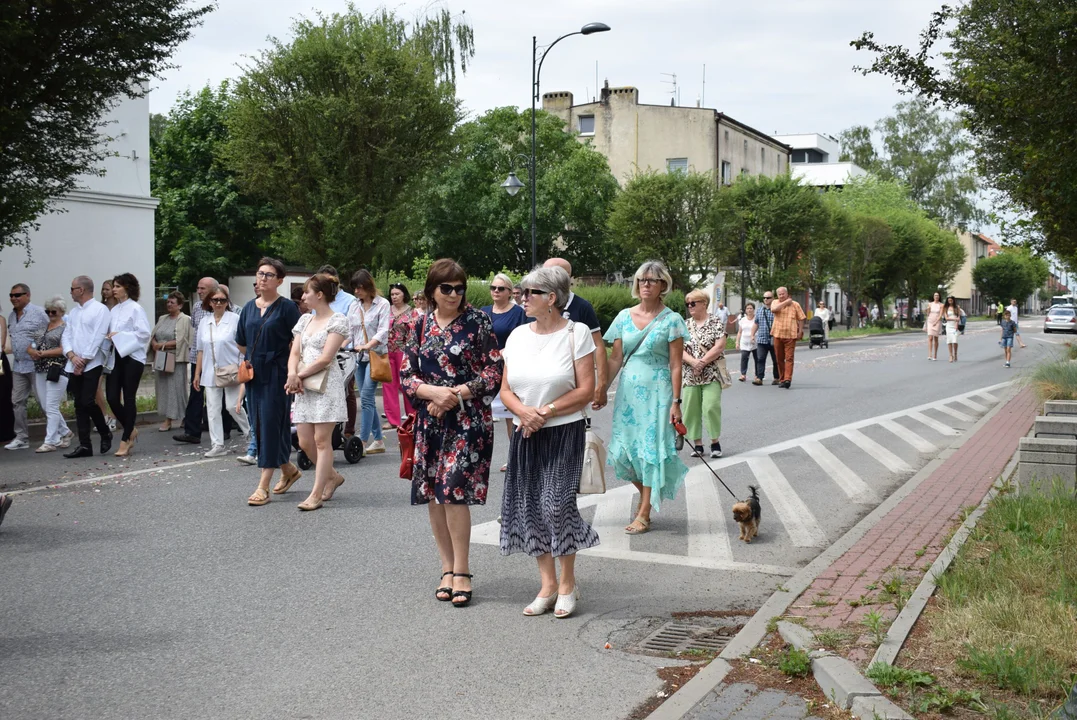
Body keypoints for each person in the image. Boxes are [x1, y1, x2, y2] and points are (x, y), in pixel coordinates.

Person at [401, 258, 503, 607]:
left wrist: (454, 394)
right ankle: (446, 567)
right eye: (447, 288)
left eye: (460, 288)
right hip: (430, 421)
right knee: (433, 493)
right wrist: (433, 394)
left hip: (467, 420)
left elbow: (493, 371)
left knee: (453, 491)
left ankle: (463, 570)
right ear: (432, 290)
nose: (455, 294)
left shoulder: (478, 322)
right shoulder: (417, 324)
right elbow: (406, 375)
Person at [499, 265, 599, 618]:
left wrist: (546, 411)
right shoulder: (517, 336)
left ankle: (568, 582)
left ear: (551, 298)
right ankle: (547, 584)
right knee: (531, 507)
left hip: (563, 430)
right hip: (526, 432)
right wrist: (524, 414)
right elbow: (505, 389)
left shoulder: (578, 332)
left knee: (556, 504)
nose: (521, 299)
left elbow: (587, 389)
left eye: (530, 293)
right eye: (521, 293)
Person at [602, 260, 689, 535]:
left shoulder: (672, 320)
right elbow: (615, 359)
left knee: (650, 450)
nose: (645, 284)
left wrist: (676, 402)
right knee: (623, 453)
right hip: (628, 394)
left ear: (663, 285)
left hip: (658, 394)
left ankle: (644, 512)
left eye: (652, 280)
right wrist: (601, 389)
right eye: (641, 280)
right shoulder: (623, 317)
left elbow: (676, 365)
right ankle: (647, 496)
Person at [238, 257, 304, 506]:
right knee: (259, 424)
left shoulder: (287, 308)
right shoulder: (247, 308)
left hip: (278, 374)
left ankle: (262, 486)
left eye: (268, 274)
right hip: (255, 374)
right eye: (260, 273)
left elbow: (298, 340)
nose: (263, 278)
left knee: (269, 425)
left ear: (279, 280)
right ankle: (288, 470)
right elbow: (241, 340)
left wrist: (292, 369)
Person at [284, 273, 349, 510]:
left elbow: (325, 358)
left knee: (322, 441)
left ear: (319, 295)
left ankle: (316, 493)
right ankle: (332, 476)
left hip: (325, 386)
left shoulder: (338, 320)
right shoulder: (304, 321)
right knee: (304, 441)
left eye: (307, 292)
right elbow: (294, 353)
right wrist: (292, 373)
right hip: (303, 386)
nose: (303, 296)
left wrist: (298, 376)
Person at [542, 258, 609, 412]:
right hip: (541, 382)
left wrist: (601, 384)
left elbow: (598, 345)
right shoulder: (537, 305)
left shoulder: (582, 306)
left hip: (572, 384)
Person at [194, 286, 250, 459]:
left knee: (233, 406)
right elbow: (200, 350)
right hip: (210, 371)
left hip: (232, 369)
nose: (218, 303)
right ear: (209, 302)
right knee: (212, 408)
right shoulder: (205, 322)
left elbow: (243, 345)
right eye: (215, 300)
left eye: (222, 300)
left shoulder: (235, 319)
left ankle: (251, 434)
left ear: (228, 302)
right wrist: (197, 373)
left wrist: (244, 366)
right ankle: (217, 444)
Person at [61, 276, 113, 458]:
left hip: (92, 363)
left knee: (88, 400)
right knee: (79, 404)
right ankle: (85, 445)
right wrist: (72, 356)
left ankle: (105, 432)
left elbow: (98, 336)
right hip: (74, 362)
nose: (70, 292)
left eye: (72, 288)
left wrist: (84, 359)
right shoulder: (74, 313)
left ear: (81, 290)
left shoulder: (100, 310)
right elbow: (66, 336)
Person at [482, 272, 528, 471]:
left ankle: (516, 457)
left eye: (501, 288)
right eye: (493, 288)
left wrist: (507, 351)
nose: (496, 291)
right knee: (482, 416)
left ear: (510, 292)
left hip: (510, 368)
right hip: (486, 370)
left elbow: (526, 338)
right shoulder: (483, 312)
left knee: (511, 416)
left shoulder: (519, 313)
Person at [105, 273, 151, 457]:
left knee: (129, 397)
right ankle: (130, 427)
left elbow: (143, 334)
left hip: (133, 357)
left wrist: (120, 335)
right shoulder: (114, 310)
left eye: (117, 286)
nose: (114, 289)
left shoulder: (136, 309)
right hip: (116, 357)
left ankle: (126, 439)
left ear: (127, 288)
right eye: (113, 286)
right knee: (112, 397)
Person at [175, 277, 224, 445]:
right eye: (198, 288)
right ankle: (192, 431)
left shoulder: (222, 305)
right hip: (199, 357)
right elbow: (197, 333)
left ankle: (224, 429)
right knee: (196, 393)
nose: (199, 291)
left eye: (203, 288)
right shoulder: (196, 307)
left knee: (220, 394)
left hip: (218, 359)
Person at [346, 269, 390, 454]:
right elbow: (349, 331)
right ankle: (378, 440)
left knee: (365, 398)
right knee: (367, 399)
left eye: (359, 288)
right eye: (355, 288)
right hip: (359, 358)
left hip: (376, 356)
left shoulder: (383, 304)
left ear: (368, 286)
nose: (356, 292)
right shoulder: (354, 306)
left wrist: (368, 345)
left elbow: (383, 331)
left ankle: (362, 441)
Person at [683, 289, 727, 459]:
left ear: (704, 303)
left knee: (711, 407)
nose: (690, 306)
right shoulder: (685, 325)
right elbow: (678, 348)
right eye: (688, 304)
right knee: (690, 410)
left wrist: (702, 362)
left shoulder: (715, 322)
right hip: (690, 374)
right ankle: (698, 444)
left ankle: (715, 442)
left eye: (693, 303)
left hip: (712, 373)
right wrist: (693, 362)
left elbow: (720, 346)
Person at [27, 296, 73, 452]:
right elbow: (31, 345)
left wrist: (43, 353)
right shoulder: (42, 328)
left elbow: (63, 349)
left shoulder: (66, 328)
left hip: (57, 368)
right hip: (40, 369)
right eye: (48, 311)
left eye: (53, 311)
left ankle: (51, 440)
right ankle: (66, 432)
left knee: (52, 406)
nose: (50, 314)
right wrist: (33, 351)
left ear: (61, 311)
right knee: (46, 406)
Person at [6, 283, 48, 450]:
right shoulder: (11, 316)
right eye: (11, 295)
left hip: (35, 364)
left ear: (28, 296)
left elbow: (49, 332)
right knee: (17, 401)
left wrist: (37, 347)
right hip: (18, 365)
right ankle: (22, 437)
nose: (13, 298)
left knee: (43, 400)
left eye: (18, 295)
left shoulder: (38, 313)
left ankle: (58, 433)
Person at [149, 291, 192, 432]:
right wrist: (154, 344)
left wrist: (162, 345)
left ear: (180, 305)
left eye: (172, 302)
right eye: (168, 302)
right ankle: (179, 416)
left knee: (176, 389)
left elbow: (183, 339)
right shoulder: (162, 318)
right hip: (161, 357)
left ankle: (170, 420)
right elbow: (153, 334)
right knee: (163, 388)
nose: (169, 304)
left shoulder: (185, 319)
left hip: (176, 358)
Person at [385, 282, 420, 430]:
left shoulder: (412, 312)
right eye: (392, 294)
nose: (394, 297)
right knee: (388, 385)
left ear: (404, 295)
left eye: (397, 294)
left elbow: (415, 334)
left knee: (405, 383)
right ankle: (393, 419)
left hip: (404, 351)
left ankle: (412, 416)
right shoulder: (386, 310)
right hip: (387, 351)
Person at [770, 286, 805, 389]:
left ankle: (787, 379)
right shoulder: (775, 302)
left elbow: (802, 318)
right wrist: (786, 302)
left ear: (787, 293)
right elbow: (774, 309)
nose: (781, 296)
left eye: (783, 294)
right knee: (779, 358)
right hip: (778, 334)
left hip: (790, 335)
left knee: (789, 358)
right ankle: (782, 379)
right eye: (779, 294)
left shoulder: (795, 305)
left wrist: (800, 331)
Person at [94, 278, 118, 432]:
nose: (105, 292)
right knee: (96, 384)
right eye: (103, 289)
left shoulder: (119, 308)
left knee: (115, 386)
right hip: (101, 348)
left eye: (107, 289)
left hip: (116, 348)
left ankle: (115, 417)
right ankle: (104, 415)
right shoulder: (100, 308)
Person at [753, 291, 779, 386]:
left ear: (773, 298)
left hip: (774, 339)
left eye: (768, 298)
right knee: (760, 359)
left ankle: (777, 378)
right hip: (761, 339)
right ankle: (759, 378)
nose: (765, 299)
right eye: (764, 298)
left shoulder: (776, 310)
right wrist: (752, 335)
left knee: (776, 360)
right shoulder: (759, 310)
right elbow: (756, 323)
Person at [0, 301, 13, 444]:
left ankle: (5, 432)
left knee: (3, 396)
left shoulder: (1, 320)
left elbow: (2, 343)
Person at [736, 302, 757, 382]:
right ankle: (743, 374)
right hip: (745, 342)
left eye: (751, 308)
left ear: (753, 309)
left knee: (757, 359)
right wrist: (737, 342)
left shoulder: (756, 319)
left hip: (755, 341)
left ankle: (757, 375)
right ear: (745, 310)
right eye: (747, 308)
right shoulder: (742, 320)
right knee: (744, 358)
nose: (749, 310)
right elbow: (739, 332)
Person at [943, 296, 962, 362]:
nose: (950, 301)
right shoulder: (945, 308)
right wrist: (954, 319)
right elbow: (946, 318)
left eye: (951, 300)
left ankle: (955, 354)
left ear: (953, 300)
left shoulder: (957, 307)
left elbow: (959, 317)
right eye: (949, 300)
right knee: (949, 340)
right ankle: (951, 355)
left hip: (955, 326)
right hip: (948, 325)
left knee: (955, 340)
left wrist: (957, 323)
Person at [925, 291, 943, 361]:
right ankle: (930, 354)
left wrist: (936, 321)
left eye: (937, 295)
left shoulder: (941, 305)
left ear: (939, 297)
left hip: (937, 320)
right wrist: (927, 310)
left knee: (935, 338)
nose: (936, 297)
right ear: (933, 297)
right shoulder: (930, 304)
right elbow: (927, 313)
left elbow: (941, 315)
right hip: (930, 320)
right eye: (935, 295)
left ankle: (935, 354)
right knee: (930, 337)